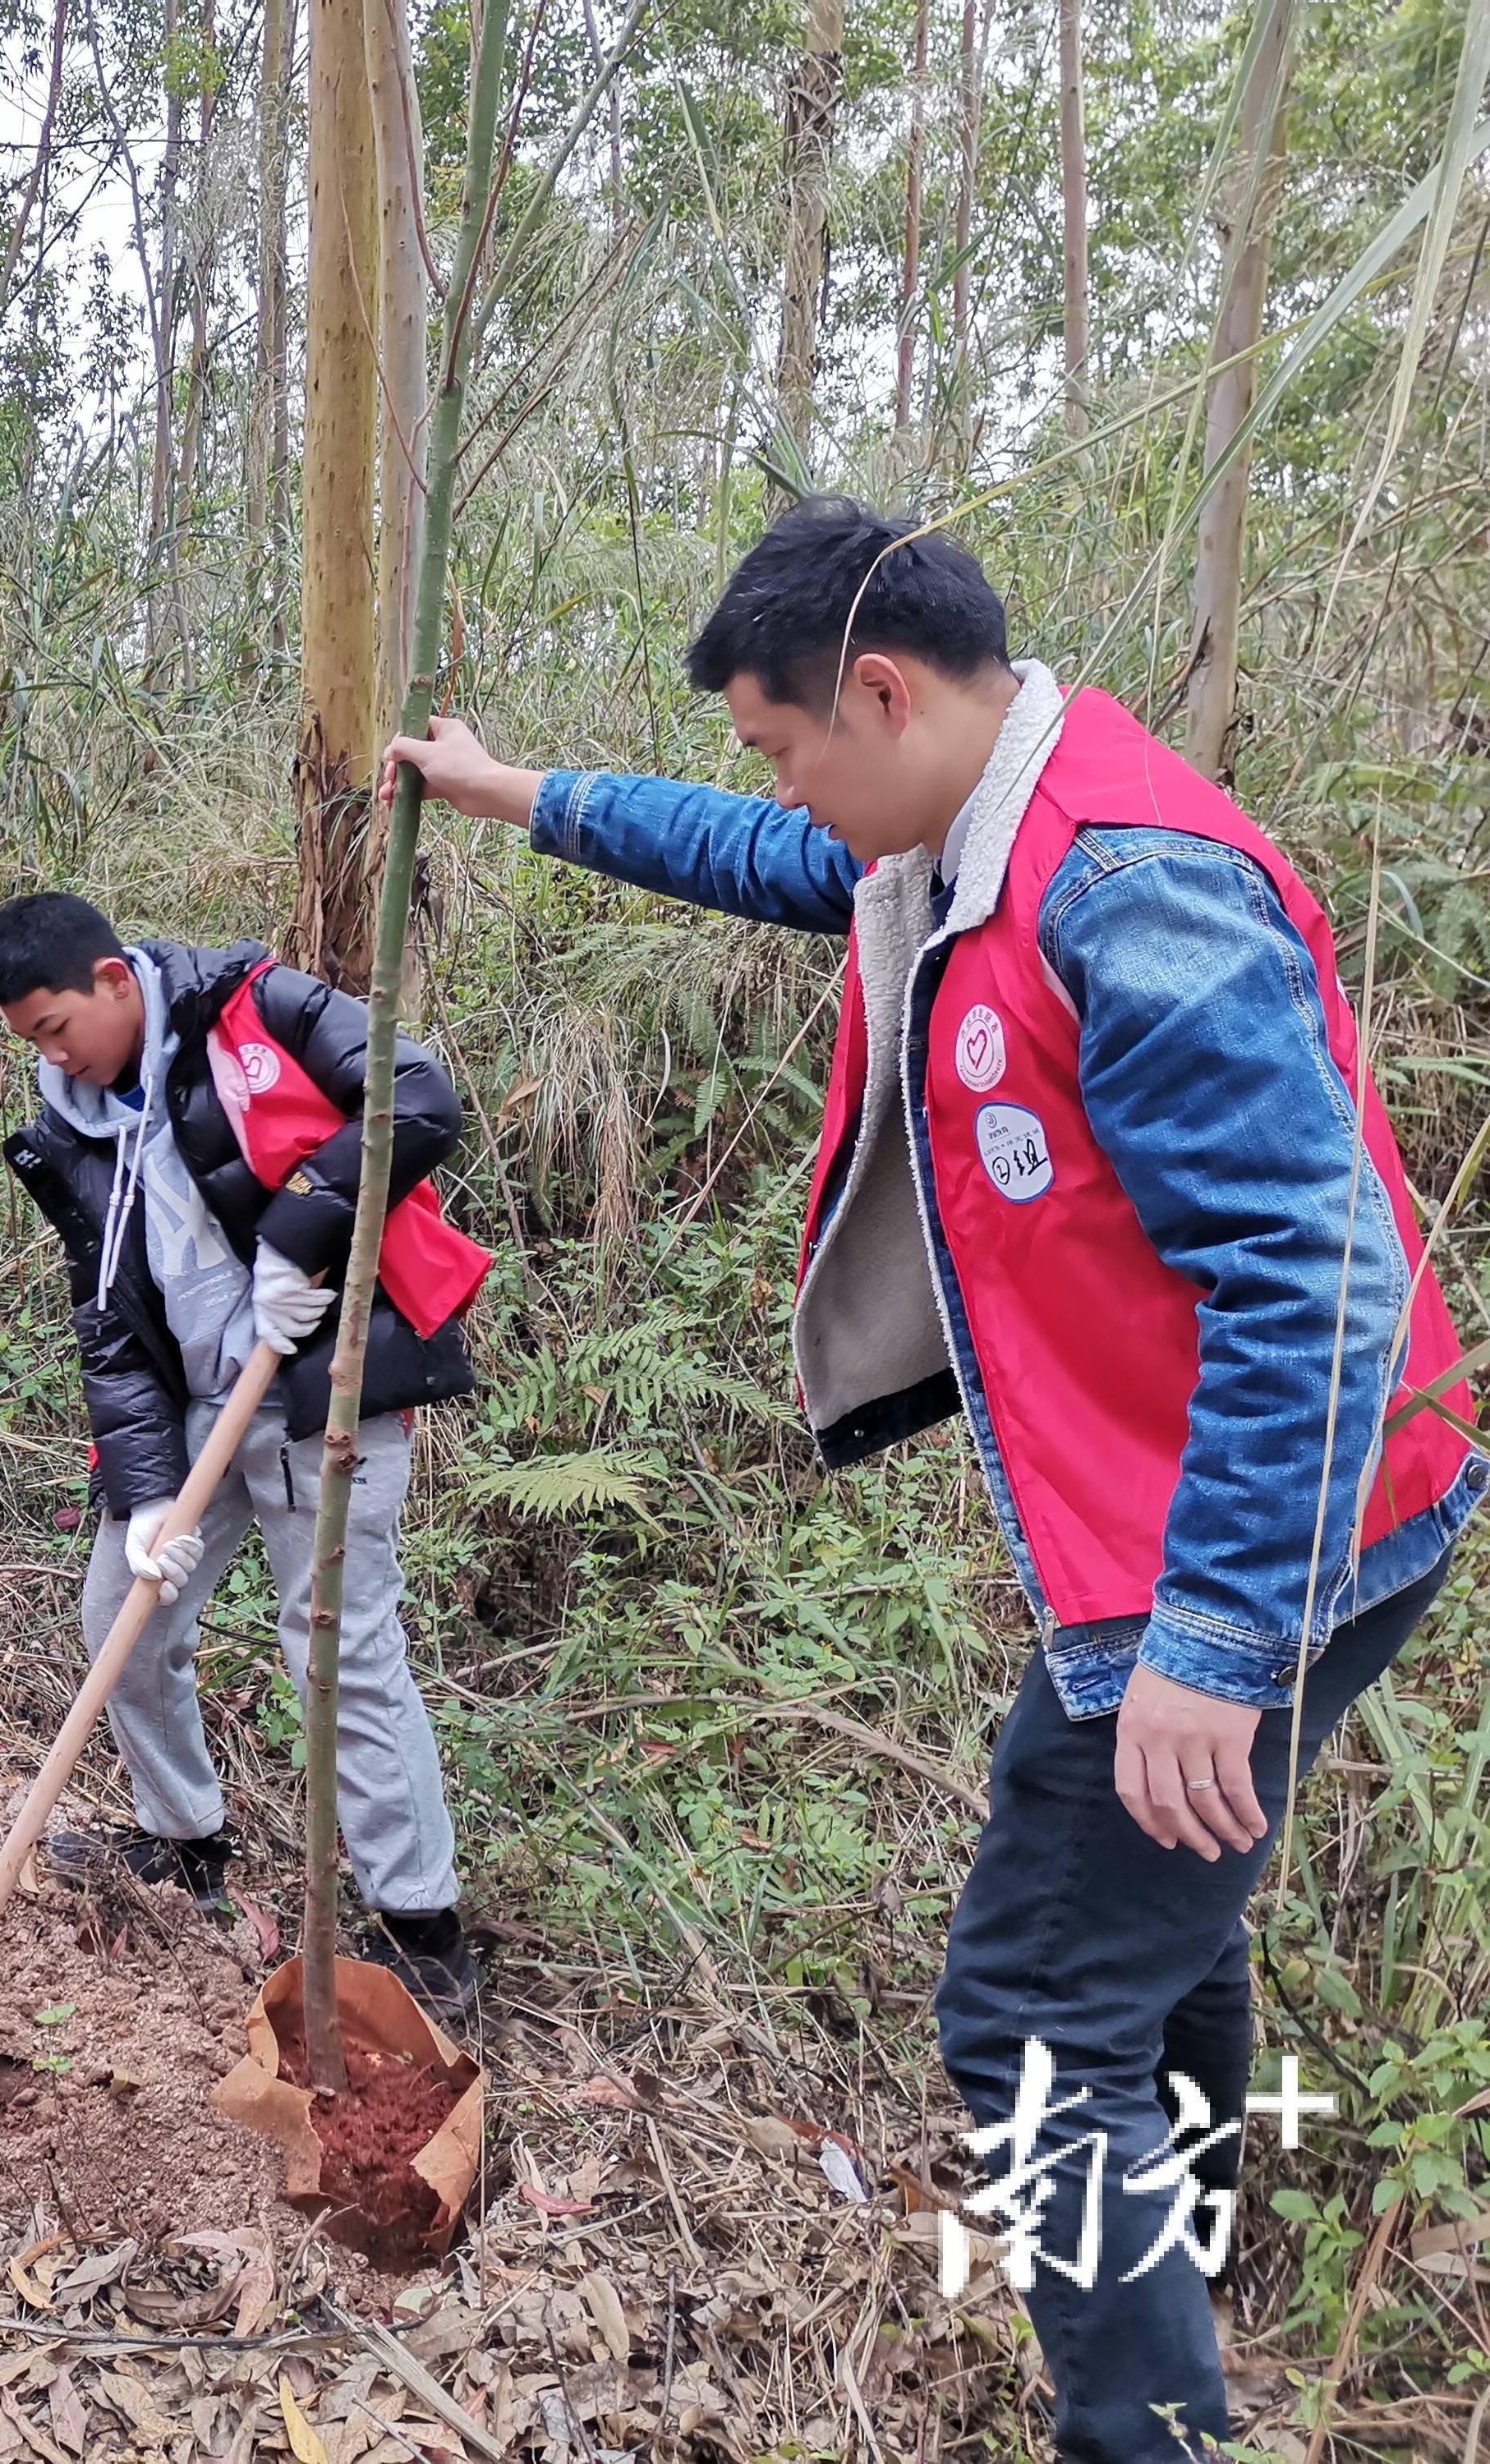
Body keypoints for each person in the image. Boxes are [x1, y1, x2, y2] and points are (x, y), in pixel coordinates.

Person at [385, 496, 1479, 2462]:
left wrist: (1212, 1638)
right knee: (1147, 1917)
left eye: (786, 740)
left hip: (1271, 1518)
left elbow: (1313, 1288)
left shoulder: (1115, 882)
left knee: (1035, 2005)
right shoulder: (950, 837)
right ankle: (1183, 2262)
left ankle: (1143, 2425)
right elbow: (753, 848)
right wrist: (511, 794)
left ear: (878, 694)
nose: (783, 789)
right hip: (1221, 1510)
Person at [0, 892, 489, 2016]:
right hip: (201, 1408)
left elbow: (419, 1096)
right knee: (123, 1608)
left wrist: (302, 1230)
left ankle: (422, 1926)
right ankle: (184, 1842)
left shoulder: (257, 1009)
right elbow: (110, 1324)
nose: (53, 1055)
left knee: (342, 1654)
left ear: (115, 981)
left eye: (58, 1025)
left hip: (324, 1393)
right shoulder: (71, 1131)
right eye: (30, 1042)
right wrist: (152, 1495)